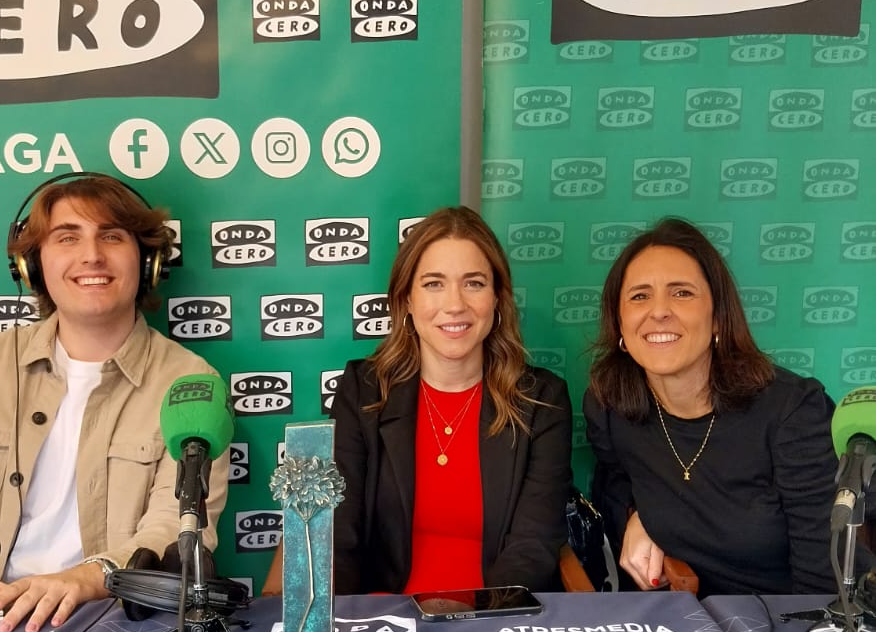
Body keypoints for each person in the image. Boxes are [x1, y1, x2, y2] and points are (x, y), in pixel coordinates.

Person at [0, 172, 229, 632]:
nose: (91, 255)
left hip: (112, 624)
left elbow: (173, 529)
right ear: (33, 265)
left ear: (149, 261)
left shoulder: (189, 383)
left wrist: (85, 578)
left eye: (111, 236)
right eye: (67, 237)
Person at [306, 206, 572, 595]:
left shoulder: (542, 401)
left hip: (493, 624)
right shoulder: (362, 392)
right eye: (433, 284)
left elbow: (531, 548)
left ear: (497, 297)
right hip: (384, 625)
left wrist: (483, 627)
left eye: (474, 283)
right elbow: (338, 534)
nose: (455, 305)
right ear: (407, 300)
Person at [583, 218, 837, 598]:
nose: (659, 311)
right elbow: (613, 484)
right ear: (620, 325)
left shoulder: (793, 412)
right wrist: (634, 514)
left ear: (718, 316)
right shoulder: (610, 406)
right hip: (685, 628)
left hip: (789, 628)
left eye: (681, 293)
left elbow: (824, 580)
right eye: (639, 296)